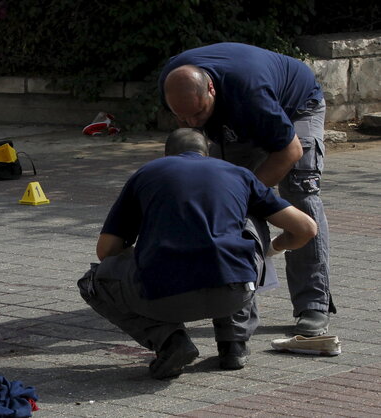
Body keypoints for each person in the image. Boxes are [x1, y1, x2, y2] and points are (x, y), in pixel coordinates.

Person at [78, 128, 317, 379]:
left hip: (161, 298)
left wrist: (138, 253)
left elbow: (106, 251)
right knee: (246, 222)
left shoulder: (146, 174)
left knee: (93, 281)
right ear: (208, 152)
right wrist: (272, 248)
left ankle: (170, 341)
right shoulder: (240, 175)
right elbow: (307, 228)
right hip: (234, 291)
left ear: (167, 154)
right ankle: (233, 344)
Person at [158, 42, 334, 337]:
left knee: (300, 193)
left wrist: (246, 195)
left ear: (211, 90)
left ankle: (313, 304)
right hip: (238, 115)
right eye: (182, 117)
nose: (191, 124)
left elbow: (288, 152)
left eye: (198, 115)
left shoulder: (250, 92)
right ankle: (223, 289)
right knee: (221, 200)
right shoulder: (173, 83)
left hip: (297, 106)